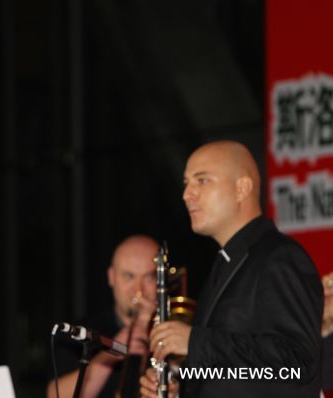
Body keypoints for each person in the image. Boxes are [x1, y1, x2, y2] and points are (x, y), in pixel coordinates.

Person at [140, 140, 323, 398]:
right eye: (186, 183)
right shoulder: (225, 265)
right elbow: (239, 373)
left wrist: (195, 342)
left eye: (202, 180)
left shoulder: (279, 257)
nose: (186, 194)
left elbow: (297, 364)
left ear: (242, 188)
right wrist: (181, 388)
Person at [47, 235, 159, 398]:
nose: (138, 290)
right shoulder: (81, 333)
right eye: (128, 276)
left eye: (149, 277)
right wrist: (110, 352)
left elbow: (202, 377)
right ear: (111, 277)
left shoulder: (179, 329)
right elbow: (55, 395)